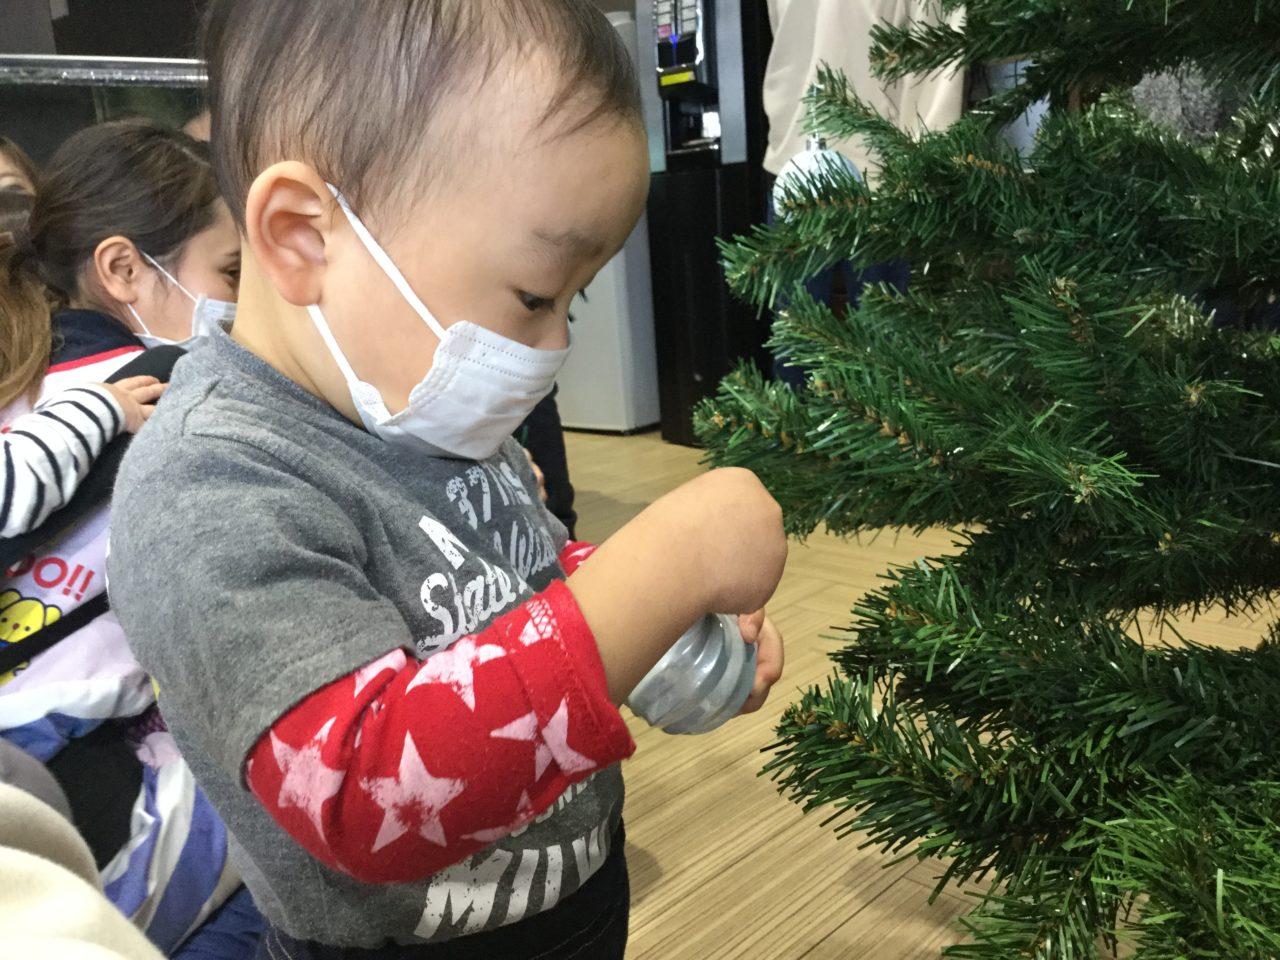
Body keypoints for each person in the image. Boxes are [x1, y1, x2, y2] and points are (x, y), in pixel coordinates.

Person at [106, 2, 789, 958]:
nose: (553, 345)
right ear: (302, 236)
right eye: (534, 294)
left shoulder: (412, 401)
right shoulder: (208, 487)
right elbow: (369, 795)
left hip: (576, 899)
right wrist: (665, 566)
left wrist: (653, 620)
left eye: (574, 301)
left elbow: (515, 575)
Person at [0, 119, 256, 958]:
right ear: (121, 269)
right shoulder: (172, 388)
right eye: (231, 273)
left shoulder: (20, 378)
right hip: (73, 765)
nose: (246, 301)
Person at [763, 0, 965, 384]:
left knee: (857, 352)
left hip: (845, 162)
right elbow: (940, 54)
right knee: (870, 352)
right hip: (839, 160)